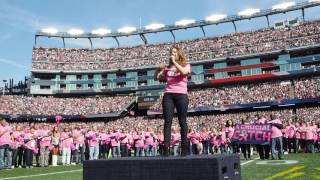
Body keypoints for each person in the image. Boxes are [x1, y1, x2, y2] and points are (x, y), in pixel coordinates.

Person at [154, 46, 191, 156]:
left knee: (182, 121)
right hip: (168, 95)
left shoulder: (186, 65)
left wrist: (175, 62)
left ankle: (184, 148)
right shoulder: (167, 68)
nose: (172, 53)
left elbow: (184, 72)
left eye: (174, 52)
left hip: (181, 95)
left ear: (179, 53)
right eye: (171, 52)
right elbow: (156, 78)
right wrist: (158, 69)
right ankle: (166, 148)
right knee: (168, 121)